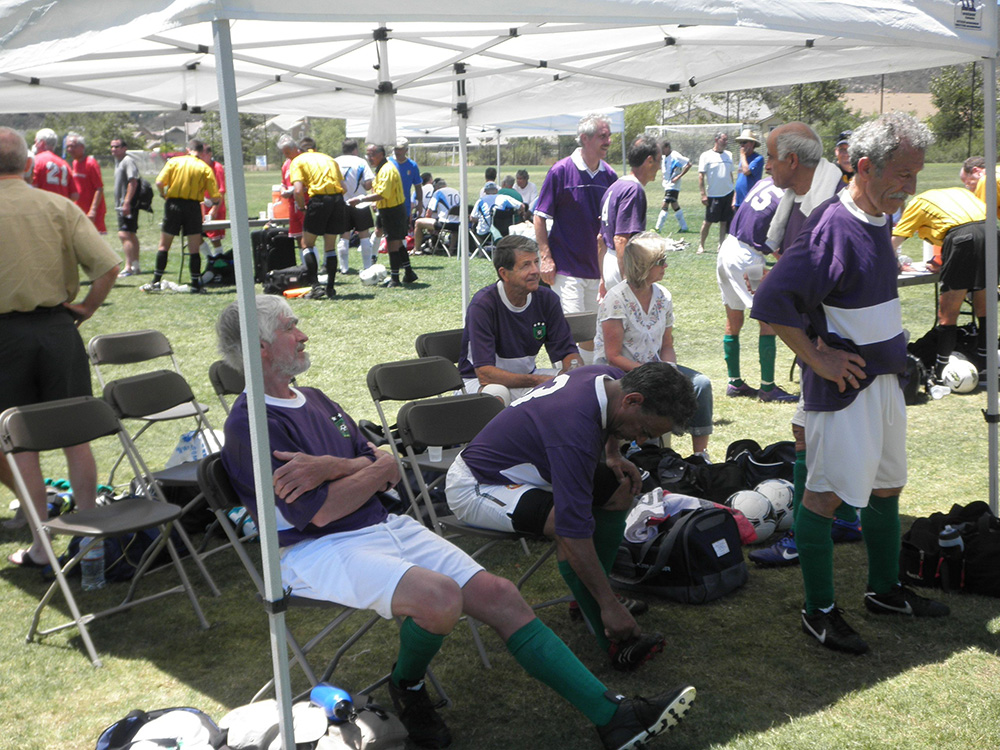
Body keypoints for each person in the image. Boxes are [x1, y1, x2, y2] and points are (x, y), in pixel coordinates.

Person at [217, 295, 696, 750]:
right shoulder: (251, 424)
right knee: (440, 598)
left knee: (502, 595)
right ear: (260, 348)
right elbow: (322, 510)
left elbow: (389, 466)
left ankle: (613, 718)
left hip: (380, 524)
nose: (303, 335)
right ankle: (407, 685)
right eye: (291, 328)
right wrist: (365, 470)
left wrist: (335, 467)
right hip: (315, 549)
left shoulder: (315, 398)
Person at [751, 112, 949, 655]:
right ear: (865, 167)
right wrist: (817, 358)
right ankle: (818, 612)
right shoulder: (832, 225)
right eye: (903, 174)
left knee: (887, 488)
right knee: (823, 497)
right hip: (846, 394)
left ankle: (884, 591)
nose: (911, 186)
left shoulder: (879, 216)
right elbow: (771, 299)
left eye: (916, 173)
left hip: (884, 383)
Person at [446, 361, 696, 671]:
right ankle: (614, 638)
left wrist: (613, 453)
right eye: (644, 431)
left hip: (535, 468)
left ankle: (587, 598)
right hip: (479, 483)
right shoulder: (574, 431)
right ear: (633, 401)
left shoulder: (611, 379)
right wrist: (609, 604)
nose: (641, 441)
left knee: (620, 488)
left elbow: (608, 418)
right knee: (562, 522)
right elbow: (571, 529)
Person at [0, 126, 120, 568]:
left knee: (19, 444)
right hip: (57, 329)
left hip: (4, 338)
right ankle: (90, 540)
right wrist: (87, 307)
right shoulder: (58, 205)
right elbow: (108, 266)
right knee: (76, 437)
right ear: (28, 163)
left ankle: (41, 545)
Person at [717, 122, 842, 403]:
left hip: (728, 247)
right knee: (769, 320)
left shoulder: (764, 183)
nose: (770, 165)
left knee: (734, 319)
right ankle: (767, 385)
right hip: (749, 253)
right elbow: (779, 247)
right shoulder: (788, 189)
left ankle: (734, 381)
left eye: (773, 158)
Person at [594, 232, 713, 460]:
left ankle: (700, 455)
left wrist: (670, 369)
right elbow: (613, 356)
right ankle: (643, 452)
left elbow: (667, 344)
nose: (666, 266)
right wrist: (654, 375)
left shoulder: (663, 296)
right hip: (620, 373)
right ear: (643, 266)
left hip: (655, 368)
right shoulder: (616, 299)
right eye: (661, 261)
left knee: (700, 384)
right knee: (652, 394)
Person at [459, 235, 583, 405]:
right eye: (526, 265)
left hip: (526, 378)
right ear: (504, 273)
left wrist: (574, 371)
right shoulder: (484, 305)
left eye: (536, 262)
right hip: (478, 383)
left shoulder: (547, 299)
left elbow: (568, 353)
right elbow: (485, 374)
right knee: (497, 393)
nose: (535, 270)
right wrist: (538, 381)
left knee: (577, 384)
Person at [534, 114, 618, 362]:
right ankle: (566, 380)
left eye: (609, 136)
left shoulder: (609, 176)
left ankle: (586, 379)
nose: (608, 141)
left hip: (597, 271)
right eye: (603, 136)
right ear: (585, 138)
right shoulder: (561, 171)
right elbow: (540, 217)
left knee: (592, 333)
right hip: (567, 270)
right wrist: (546, 258)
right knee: (570, 331)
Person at [891, 187, 994, 379]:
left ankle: (941, 371)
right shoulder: (960, 192)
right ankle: (986, 366)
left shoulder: (917, 204)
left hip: (962, 240)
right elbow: (965, 226)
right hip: (991, 233)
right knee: (984, 309)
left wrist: (895, 263)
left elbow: (894, 242)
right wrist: (942, 262)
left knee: (947, 314)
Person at [143, 138, 220, 293]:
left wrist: (163, 195)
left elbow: (159, 182)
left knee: (164, 245)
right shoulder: (205, 168)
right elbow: (215, 196)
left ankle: (156, 282)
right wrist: (213, 202)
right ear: (201, 152)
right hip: (193, 207)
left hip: (173, 205)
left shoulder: (174, 162)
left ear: (187, 150)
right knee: (194, 248)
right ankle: (195, 284)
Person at [349, 144, 417, 288]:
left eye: (372, 155)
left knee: (392, 244)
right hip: (389, 209)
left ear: (381, 154)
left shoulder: (387, 170)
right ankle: (409, 272)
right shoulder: (382, 168)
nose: (369, 158)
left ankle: (395, 278)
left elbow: (382, 194)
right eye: (368, 155)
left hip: (393, 210)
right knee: (398, 243)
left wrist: (361, 199)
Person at [598, 134, 659, 292]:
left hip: (609, 263)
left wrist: (603, 278)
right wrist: (628, 279)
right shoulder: (633, 190)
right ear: (649, 160)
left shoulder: (615, 186)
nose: (660, 167)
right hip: (622, 264)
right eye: (659, 161)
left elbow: (600, 239)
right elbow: (620, 239)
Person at [290, 137, 348, 297]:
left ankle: (315, 287)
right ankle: (330, 288)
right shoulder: (329, 159)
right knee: (330, 246)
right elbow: (344, 188)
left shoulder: (298, 161)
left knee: (307, 244)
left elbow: (297, 190)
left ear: (299, 150)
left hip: (319, 201)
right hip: (337, 200)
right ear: (315, 148)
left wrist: (302, 207)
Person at [334, 139, 376, 272]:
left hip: (342, 203)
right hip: (360, 202)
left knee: (344, 235)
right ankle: (367, 266)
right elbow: (369, 184)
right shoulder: (361, 162)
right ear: (355, 150)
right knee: (364, 235)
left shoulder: (335, 162)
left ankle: (344, 268)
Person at [697, 132, 735, 254]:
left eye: (726, 140)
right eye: (723, 139)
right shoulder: (706, 155)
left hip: (728, 193)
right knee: (708, 222)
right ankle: (701, 245)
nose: (725, 142)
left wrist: (733, 191)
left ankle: (721, 245)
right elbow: (701, 176)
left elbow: (730, 174)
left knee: (724, 222)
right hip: (713, 195)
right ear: (716, 140)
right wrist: (703, 194)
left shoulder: (729, 155)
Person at [111, 136, 141, 276]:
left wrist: (126, 202)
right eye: (112, 147)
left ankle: (128, 267)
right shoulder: (118, 161)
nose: (113, 149)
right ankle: (136, 266)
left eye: (117, 147)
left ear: (124, 148)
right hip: (123, 204)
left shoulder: (127, 161)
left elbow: (133, 182)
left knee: (124, 234)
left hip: (127, 204)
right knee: (131, 233)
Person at [65, 133, 106, 234]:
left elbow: (99, 188)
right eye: (68, 147)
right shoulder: (74, 163)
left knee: (96, 238)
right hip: (79, 209)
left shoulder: (90, 163)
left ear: (82, 147)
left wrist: (93, 210)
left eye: (73, 146)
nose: (70, 149)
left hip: (92, 212)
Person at [413, 178, 461, 254]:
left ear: (436, 187)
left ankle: (416, 249)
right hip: (458, 224)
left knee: (418, 222)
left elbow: (429, 212)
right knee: (454, 229)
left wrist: (429, 227)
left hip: (444, 224)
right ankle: (451, 250)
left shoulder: (438, 193)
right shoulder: (456, 192)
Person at [654, 141, 691, 234]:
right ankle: (684, 227)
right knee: (675, 205)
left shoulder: (675, 155)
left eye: (663, 149)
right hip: (667, 185)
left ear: (667, 147)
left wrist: (678, 176)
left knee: (665, 204)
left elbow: (688, 164)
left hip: (673, 185)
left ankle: (658, 228)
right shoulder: (664, 157)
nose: (662, 152)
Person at [31, 128, 78, 201]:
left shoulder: (36, 161)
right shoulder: (65, 164)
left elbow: (32, 188)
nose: (35, 145)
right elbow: (74, 195)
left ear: (42, 143)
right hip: (61, 206)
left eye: (36, 142)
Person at [277, 134, 306, 248]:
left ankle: (311, 259)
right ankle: (304, 258)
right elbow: (283, 183)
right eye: (284, 153)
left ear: (295, 149)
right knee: (297, 236)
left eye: (288, 152)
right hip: (292, 205)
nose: (286, 155)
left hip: (304, 202)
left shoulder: (304, 160)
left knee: (307, 236)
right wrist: (283, 190)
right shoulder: (286, 164)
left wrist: (295, 190)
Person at [200, 145, 227, 252]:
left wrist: (214, 210)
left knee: (215, 239)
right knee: (195, 235)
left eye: (203, 155)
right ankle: (209, 258)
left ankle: (219, 258)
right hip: (202, 207)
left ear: (210, 154)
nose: (201, 157)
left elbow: (221, 191)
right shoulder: (199, 167)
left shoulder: (217, 167)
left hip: (215, 208)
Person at [391, 137, 423, 222]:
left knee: (403, 229)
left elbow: (418, 186)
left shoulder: (412, 166)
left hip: (404, 206)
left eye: (400, 149)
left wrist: (420, 202)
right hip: (388, 205)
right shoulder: (387, 162)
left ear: (406, 150)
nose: (397, 151)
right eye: (396, 149)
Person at [733, 129, 763, 209]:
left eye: (745, 142)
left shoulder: (758, 159)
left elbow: (746, 171)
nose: (742, 145)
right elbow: (739, 179)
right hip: (738, 201)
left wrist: (742, 155)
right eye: (741, 142)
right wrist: (734, 198)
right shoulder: (743, 159)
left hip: (749, 201)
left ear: (752, 144)